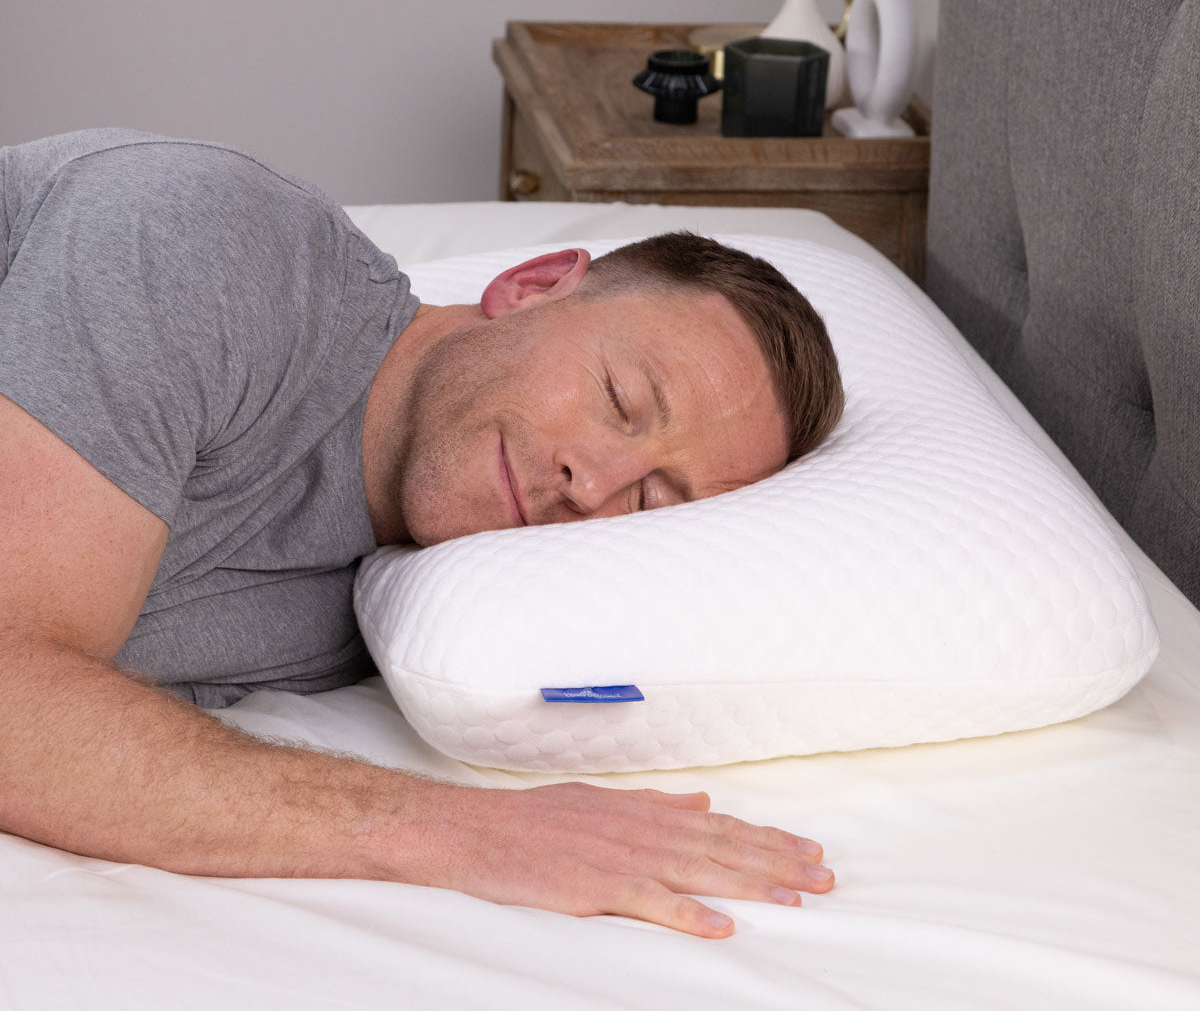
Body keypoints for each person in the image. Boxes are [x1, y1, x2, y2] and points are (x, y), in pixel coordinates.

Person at [0, 129, 844, 939]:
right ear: (533, 283)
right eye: (619, 399)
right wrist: (469, 833)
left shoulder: (405, 610)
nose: (593, 484)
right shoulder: (207, 240)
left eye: (653, 501)